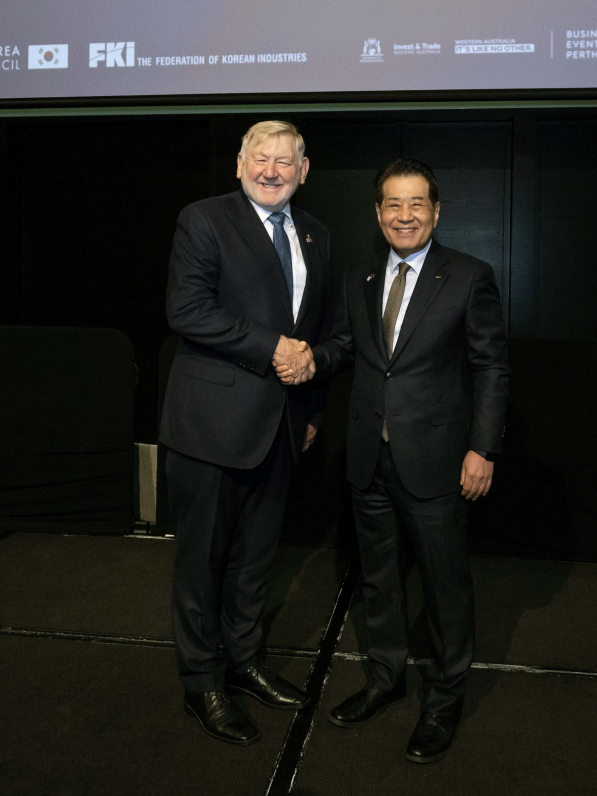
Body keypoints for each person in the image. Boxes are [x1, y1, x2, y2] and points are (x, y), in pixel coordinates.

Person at [291, 157, 508, 764]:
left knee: (445, 587)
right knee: (380, 583)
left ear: (435, 212)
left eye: (417, 204)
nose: (404, 215)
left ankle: (444, 698)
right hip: (367, 460)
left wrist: (481, 448)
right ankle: (386, 680)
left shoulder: (468, 277)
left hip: (440, 462)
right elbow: (344, 348)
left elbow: (492, 367)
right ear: (378, 213)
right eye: (393, 204)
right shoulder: (359, 278)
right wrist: (308, 359)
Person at [160, 120, 330, 746]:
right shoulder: (203, 220)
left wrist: (311, 409)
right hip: (211, 428)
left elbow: (317, 329)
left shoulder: (316, 234)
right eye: (261, 159)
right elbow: (187, 309)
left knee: (256, 563)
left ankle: (244, 662)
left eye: (286, 162)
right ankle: (201, 681)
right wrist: (273, 348)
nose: (272, 171)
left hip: (281, 430)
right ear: (239, 163)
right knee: (202, 564)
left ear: (303, 171)